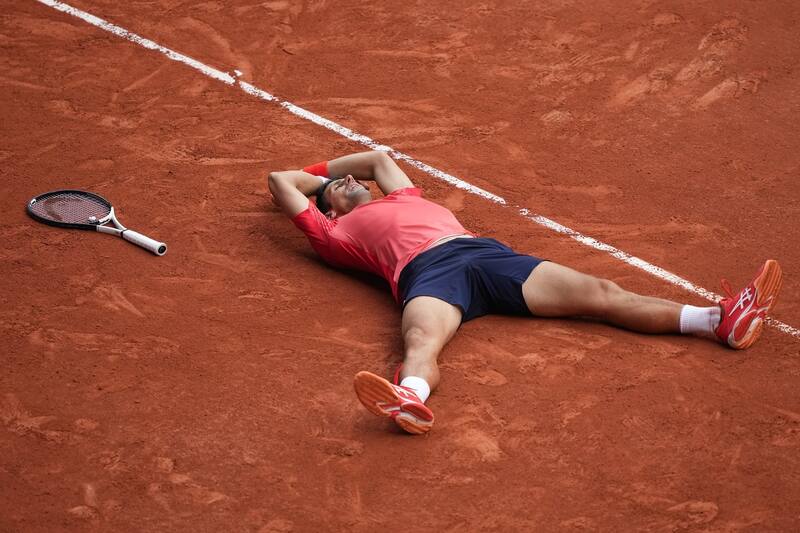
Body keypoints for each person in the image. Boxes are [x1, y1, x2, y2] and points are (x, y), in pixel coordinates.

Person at [268, 151, 783, 435]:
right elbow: (279, 179)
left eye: (348, 179)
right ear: (326, 211)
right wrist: (316, 187)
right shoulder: (334, 235)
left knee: (602, 293)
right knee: (421, 340)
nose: (350, 180)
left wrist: (334, 177)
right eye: (335, 187)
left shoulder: (399, 192)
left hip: (485, 256)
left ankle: (717, 321)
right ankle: (410, 399)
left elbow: (379, 158)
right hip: (426, 275)